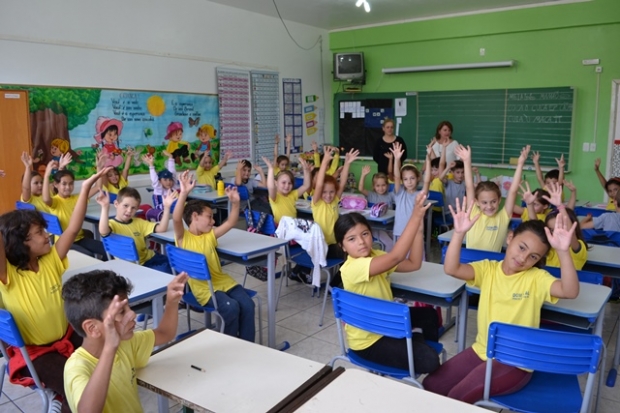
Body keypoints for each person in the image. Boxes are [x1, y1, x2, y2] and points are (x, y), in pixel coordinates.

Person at [423, 198, 579, 403]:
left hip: (515, 361)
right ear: (510, 238)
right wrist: (459, 233)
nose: (524, 258)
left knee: (457, 397)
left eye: (533, 257)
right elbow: (452, 268)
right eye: (522, 248)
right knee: (430, 385)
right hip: (482, 351)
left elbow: (570, 291)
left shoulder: (536, 278)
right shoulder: (489, 268)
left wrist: (563, 251)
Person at [0, 167, 109, 413]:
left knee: (103, 366)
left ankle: (63, 396)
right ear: (21, 244)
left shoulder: (50, 259)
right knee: (78, 388)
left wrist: (86, 188)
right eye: (39, 233)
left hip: (67, 337)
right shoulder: (7, 274)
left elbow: (72, 227)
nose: (47, 235)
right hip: (36, 353)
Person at [334, 192, 440, 374]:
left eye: (365, 234)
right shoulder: (352, 267)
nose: (361, 242)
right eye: (352, 239)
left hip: (386, 324)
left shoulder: (376, 256)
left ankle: (414, 345)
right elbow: (396, 256)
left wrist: (418, 230)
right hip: (369, 341)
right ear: (342, 246)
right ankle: (416, 347)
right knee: (430, 361)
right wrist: (414, 216)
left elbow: (414, 264)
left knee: (429, 315)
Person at [62, 270, 187, 413]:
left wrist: (171, 302)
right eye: (121, 311)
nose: (132, 314)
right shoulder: (77, 367)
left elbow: (165, 333)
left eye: (129, 307)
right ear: (92, 328)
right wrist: (110, 348)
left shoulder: (126, 343)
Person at [173, 171, 256, 341]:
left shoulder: (209, 235)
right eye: (209, 217)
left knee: (248, 304)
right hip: (204, 290)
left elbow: (231, 222)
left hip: (223, 282)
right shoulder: (183, 238)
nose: (213, 222)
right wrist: (184, 193)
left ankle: (248, 346)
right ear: (194, 217)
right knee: (231, 307)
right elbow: (176, 218)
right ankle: (229, 345)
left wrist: (235, 203)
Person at [457, 144, 526, 252]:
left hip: (492, 266)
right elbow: (469, 186)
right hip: (472, 264)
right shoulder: (473, 212)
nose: (489, 206)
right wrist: (466, 161)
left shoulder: (503, 217)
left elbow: (512, 191)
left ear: (499, 200)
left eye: (493, 201)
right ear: (477, 202)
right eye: (484, 202)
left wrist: (520, 164)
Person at [97, 187, 177, 273]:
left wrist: (167, 207)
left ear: (137, 209)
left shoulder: (139, 222)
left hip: (151, 259)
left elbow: (161, 228)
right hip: (138, 266)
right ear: (116, 204)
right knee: (170, 271)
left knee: (177, 265)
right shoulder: (112, 224)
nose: (129, 210)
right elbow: (103, 231)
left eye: (133, 208)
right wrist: (105, 207)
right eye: (125, 206)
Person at [42, 158, 107, 259]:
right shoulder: (55, 201)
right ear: (56, 185)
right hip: (65, 242)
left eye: (71, 183)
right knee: (88, 256)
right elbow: (46, 199)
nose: (68, 187)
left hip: (79, 238)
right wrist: (46, 175)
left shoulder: (78, 198)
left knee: (106, 250)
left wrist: (99, 168)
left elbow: (98, 187)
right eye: (64, 184)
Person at [313, 147, 359, 258]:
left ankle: (338, 276)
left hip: (334, 243)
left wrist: (347, 163)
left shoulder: (334, 201)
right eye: (324, 192)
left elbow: (342, 183)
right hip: (320, 244)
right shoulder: (317, 202)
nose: (328, 195)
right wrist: (325, 161)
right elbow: (319, 184)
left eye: (332, 192)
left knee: (349, 256)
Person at [392, 142, 431, 241]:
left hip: (416, 233)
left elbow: (427, 181)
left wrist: (428, 158)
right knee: (400, 257)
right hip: (400, 232)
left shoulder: (420, 195)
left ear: (418, 178)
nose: (409, 182)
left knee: (415, 257)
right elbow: (396, 177)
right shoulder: (399, 193)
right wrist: (396, 159)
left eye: (412, 178)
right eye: (405, 179)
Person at [263, 155, 312, 225]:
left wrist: (306, 171)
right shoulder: (275, 197)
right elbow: (271, 187)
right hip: (282, 228)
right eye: (283, 182)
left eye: (290, 183)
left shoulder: (293, 194)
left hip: (293, 226)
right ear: (276, 183)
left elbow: (306, 185)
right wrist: (271, 169)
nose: (287, 186)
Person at [144, 152, 178, 218]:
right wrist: (151, 165)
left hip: (172, 208)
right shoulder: (159, 189)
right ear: (160, 181)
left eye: (170, 179)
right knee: (177, 202)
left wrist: (171, 157)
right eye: (165, 180)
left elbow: (173, 172)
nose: (168, 182)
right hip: (161, 209)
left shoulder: (173, 186)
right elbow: (154, 180)